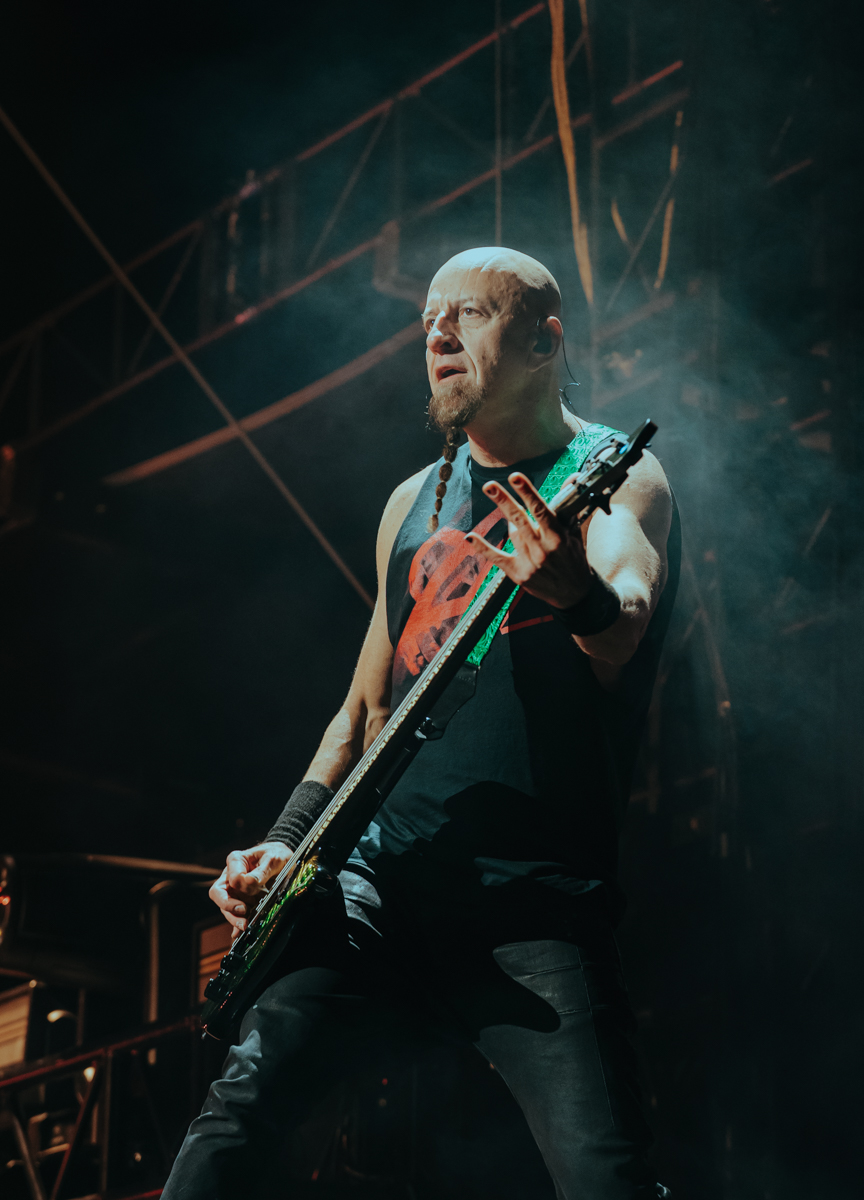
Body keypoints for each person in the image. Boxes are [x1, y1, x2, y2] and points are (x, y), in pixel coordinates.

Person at [162, 247, 680, 1199]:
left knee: (605, 1176)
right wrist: (285, 841)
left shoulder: (616, 472)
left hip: (533, 904)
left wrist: (577, 593)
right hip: (381, 885)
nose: (437, 330)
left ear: (543, 341)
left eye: (470, 313)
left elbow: (626, 626)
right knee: (237, 1117)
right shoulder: (414, 500)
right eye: (430, 316)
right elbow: (364, 709)